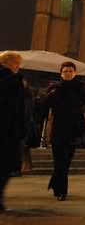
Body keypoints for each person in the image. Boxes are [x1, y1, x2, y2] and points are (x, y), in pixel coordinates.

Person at [45, 61, 85, 201]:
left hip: (74, 129)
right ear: (61, 73)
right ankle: (61, 191)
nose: (68, 73)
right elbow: (46, 105)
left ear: (75, 73)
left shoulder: (80, 87)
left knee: (67, 160)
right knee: (60, 160)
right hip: (59, 128)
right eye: (65, 71)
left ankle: (55, 182)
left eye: (70, 71)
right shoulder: (55, 88)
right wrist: (50, 95)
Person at [0, 51, 25, 213]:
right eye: (18, 64)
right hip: (6, 132)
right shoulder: (14, 81)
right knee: (4, 165)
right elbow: (17, 110)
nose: (19, 67)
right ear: (12, 63)